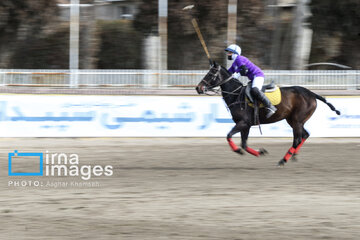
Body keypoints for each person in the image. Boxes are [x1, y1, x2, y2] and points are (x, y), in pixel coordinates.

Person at [225, 44, 277, 118]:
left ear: (235, 53)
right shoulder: (235, 63)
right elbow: (227, 73)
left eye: (229, 52)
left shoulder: (239, 58)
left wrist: (237, 75)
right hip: (253, 78)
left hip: (258, 75)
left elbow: (244, 70)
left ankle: (270, 106)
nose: (228, 54)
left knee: (255, 90)